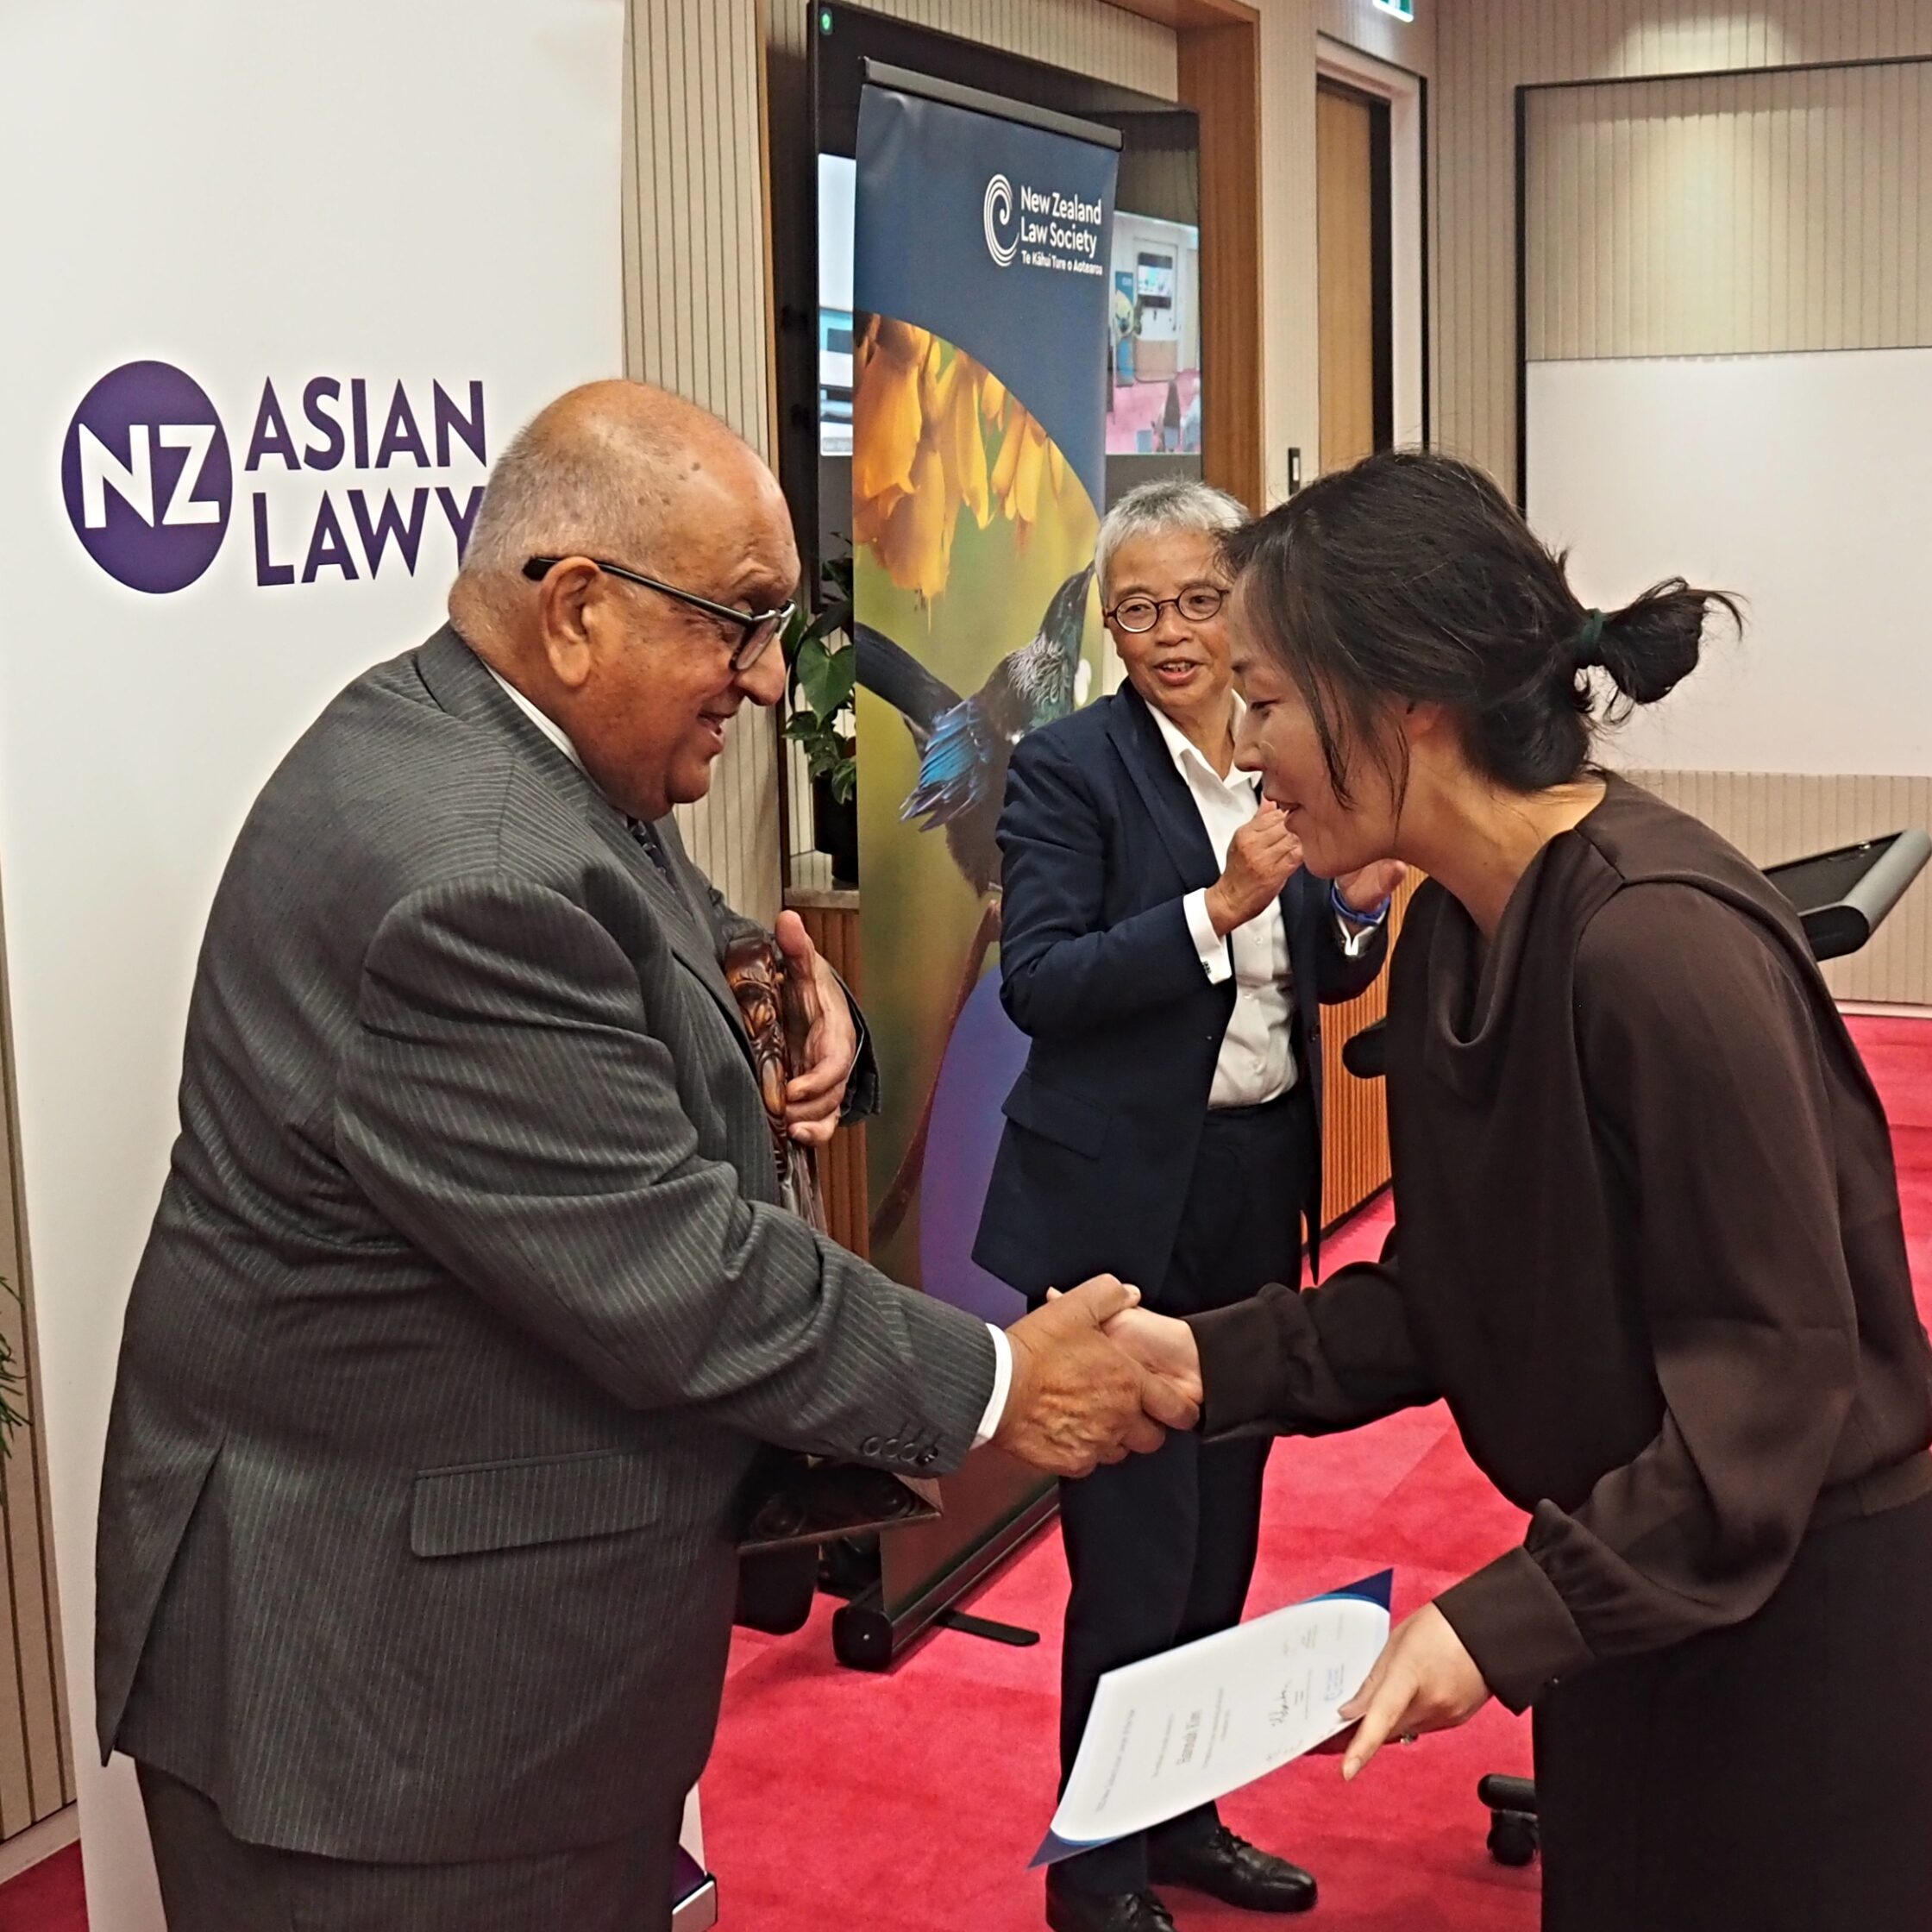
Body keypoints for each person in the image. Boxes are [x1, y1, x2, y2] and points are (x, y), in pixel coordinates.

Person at [94, 380, 1197, 1932]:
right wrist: (1004, 1385)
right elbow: (679, 1274)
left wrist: (779, 981)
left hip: (481, 1678)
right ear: (578, 610)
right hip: (389, 1729)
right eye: (740, 624)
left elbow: (647, 918)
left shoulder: (504, 744)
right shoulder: (465, 880)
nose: (768, 678)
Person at [1103, 449, 1932, 1932]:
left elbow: (1773, 1385)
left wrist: (1501, 1621)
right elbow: (1458, 1292)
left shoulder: (1660, 948)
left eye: (1269, 700)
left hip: (1793, 1620)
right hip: (1637, 1574)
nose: (1246, 746)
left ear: (1406, 698)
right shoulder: (1456, 931)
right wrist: (1203, 1360)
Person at [975, 478, 1402, 1932]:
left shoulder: (1284, 751)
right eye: (1139, 608)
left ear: (1245, 608)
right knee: (1133, 1558)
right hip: (1116, 1208)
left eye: (1199, 602)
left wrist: (1357, 902)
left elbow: (1321, 972)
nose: (1171, 633)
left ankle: (1186, 1817)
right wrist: (1210, 911)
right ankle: (1094, 1871)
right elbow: (1041, 982)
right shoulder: (1069, 769)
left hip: (1255, 1179)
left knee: (1223, 1539)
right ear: (1110, 628)